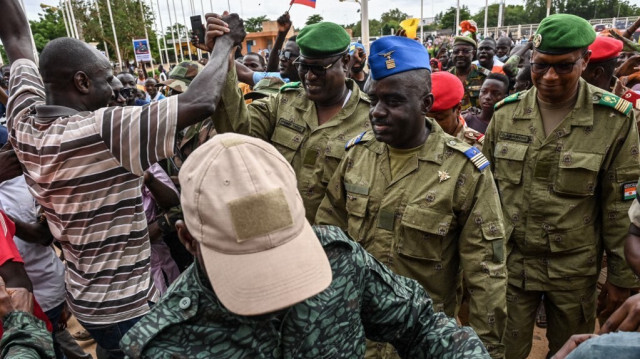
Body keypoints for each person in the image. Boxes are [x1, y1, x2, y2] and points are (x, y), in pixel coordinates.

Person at [0, 0, 246, 356]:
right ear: (81, 82)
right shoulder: (102, 129)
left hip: (86, 299)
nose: (115, 88)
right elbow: (202, 101)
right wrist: (225, 44)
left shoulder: (22, 120)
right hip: (127, 306)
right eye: (106, 78)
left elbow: (16, 37)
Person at [118, 132, 491, 359]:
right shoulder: (164, 346)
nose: (277, 289)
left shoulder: (340, 260)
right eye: (249, 265)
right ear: (188, 240)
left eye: (283, 252)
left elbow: (420, 324)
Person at [315, 36, 507, 359]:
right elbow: (327, 236)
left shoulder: (464, 171)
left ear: (426, 103)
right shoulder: (357, 156)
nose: (376, 111)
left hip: (423, 343)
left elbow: (487, 276)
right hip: (356, 338)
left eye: (393, 102)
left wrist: (483, 351)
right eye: (374, 99)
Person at [482, 14, 640, 358]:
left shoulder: (613, 119)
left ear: (585, 62)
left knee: (572, 353)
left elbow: (619, 205)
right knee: (502, 350)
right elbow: (484, 192)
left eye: (564, 66)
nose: (549, 77)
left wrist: (619, 276)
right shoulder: (506, 114)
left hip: (573, 270)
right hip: (512, 265)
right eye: (540, 66)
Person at [206, 20, 372, 223]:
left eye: (319, 68)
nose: (309, 76)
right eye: (303, 66)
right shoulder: (284, 102)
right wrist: (223, 57)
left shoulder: (371, 121)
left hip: (336, 250)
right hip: (279, 232)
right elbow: (238, 134)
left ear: (346, 63)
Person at [427, 71, 485, 148]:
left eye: (440, 118)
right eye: (427, 119)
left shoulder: (477, 146)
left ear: (458, 109)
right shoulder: (415, 139)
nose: (432, 124)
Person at [448, 36, 489, 111]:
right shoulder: (446, 77)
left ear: (473, 53)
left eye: (465, 51)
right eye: (456, 52)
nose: (460, 54)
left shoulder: (486, 76)